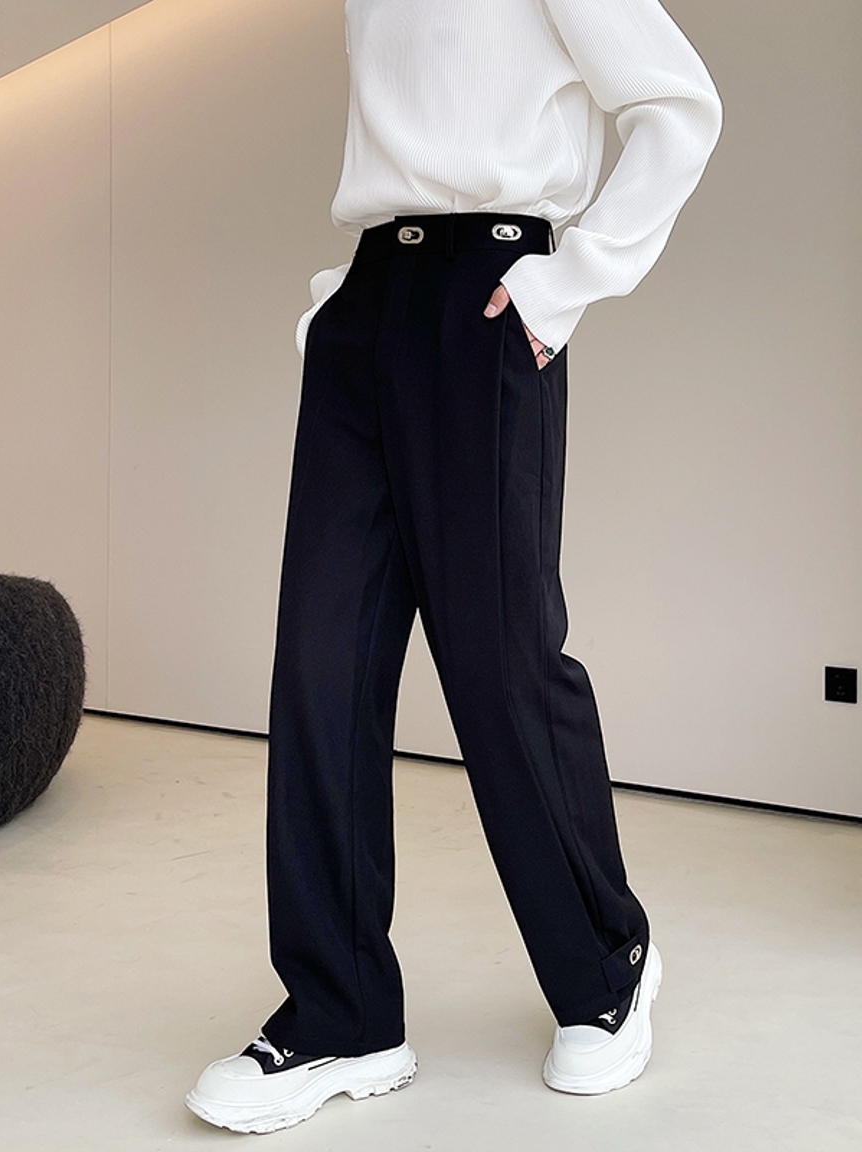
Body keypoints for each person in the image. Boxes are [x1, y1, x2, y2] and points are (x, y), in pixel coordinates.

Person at [185, 0, 722, 1134]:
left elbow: (680, 106)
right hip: (371, 299)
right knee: (320, 666)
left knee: (499, 661)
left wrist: (563, 284)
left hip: (491, 293)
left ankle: (607, 964)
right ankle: (341, 1015)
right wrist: (343, 305)